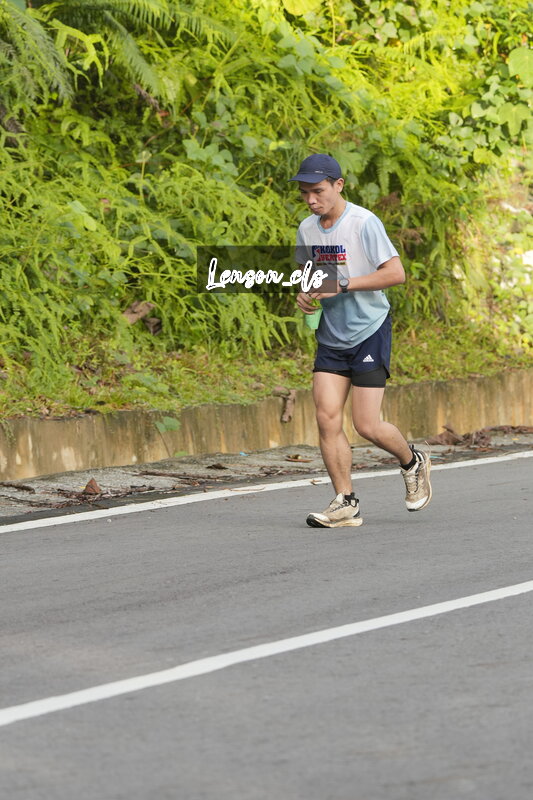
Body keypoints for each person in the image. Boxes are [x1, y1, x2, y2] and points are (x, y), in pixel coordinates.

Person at [291, 153, 432, 528]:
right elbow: (310, 275)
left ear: (338, 185)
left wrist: (344, 283)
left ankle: (412, 461)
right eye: (304, 193)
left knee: (366, 425)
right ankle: (345, 502)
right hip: (331, 334)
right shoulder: (306, 229)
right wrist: (306, 293)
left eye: (318, 191)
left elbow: (396, 273)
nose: (311, 200)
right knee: (326, 418)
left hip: (369, 329)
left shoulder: (364, 223)